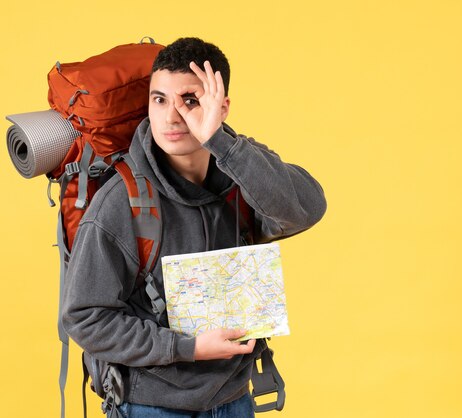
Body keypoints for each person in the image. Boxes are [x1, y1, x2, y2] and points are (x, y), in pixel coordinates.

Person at [62, 37, 326, 418]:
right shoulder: (120, 202)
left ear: (221, 107)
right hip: (151, 405)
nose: (171, 117)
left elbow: (306, 209)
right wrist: (187, 348)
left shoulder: (242, 175)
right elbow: (83, 318)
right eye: (159, 99)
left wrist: (221, 142)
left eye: (190, 100)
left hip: (233, 396)